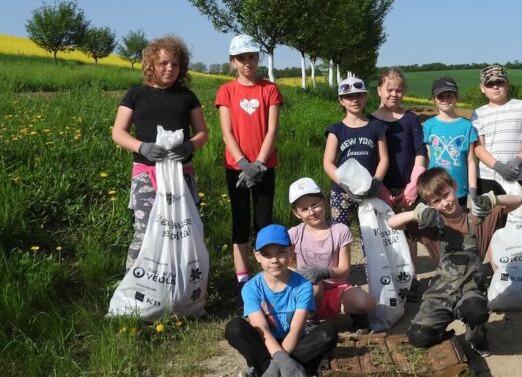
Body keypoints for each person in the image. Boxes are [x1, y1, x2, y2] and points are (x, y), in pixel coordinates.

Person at [387, 168, 522, 355]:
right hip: (441, 292)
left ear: (455, 186)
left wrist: (493, 199)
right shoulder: (430, 225)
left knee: (476, 311)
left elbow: (518, 201)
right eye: (436, 201)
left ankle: (478, 335)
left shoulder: (477, 218)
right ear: (429, 204)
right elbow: (392, 223)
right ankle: (442, 332)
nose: (444, 203)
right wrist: (416, 213)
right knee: (418, 337)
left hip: (470, 290)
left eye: (446, 195)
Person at [111, 35, 209, 270]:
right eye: (163, 63)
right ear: (151, 64)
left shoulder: (187, 96)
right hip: (147, 173)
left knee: (182, 228)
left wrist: (189, 145)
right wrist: (141, 147)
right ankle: (134, 287)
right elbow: (118, 132)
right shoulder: (135, 94)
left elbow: (203, 132)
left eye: (175, 64)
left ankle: (182, 286)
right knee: (144, 230)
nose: (169, 68)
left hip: (180, 173)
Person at [224, 224, 339, 377]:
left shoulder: (303, 285)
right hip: (265, 344)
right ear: (257, 256)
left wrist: (275, 367)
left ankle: (262, 373)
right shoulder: (250, 288)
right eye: (267, 254)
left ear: (291, 252)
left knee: (328, 331)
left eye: (280, 252)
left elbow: (295, 329)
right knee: (234, 327)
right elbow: (261, 328)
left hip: (296, 342)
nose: (274, 260)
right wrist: (280, 359)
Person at [215, 34, 282, 286]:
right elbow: (226, 132)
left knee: (263, 220)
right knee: (240, 220)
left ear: (258, 58)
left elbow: (272, 129)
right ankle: (243, 278)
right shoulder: (226, 91)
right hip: (236, 168)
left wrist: (259, 164)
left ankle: (269, 273)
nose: (247, 63)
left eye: (252, 57)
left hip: (265, 166)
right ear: (233, 61)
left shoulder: (270, 89)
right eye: (241, 58)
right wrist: (244, 163)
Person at [287, 177, 376, 329]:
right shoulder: (294, 234)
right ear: (297, 213)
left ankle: (344, 316)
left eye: (315, 204)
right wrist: (298, 274)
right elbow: (283, 264)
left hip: (336, 288)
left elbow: (344, 270)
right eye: (304, 209)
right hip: (308, 291)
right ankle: (312, 319)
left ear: (324, 201)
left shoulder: (340, 230)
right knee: (314, 287)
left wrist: (321, 272)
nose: (312, 212)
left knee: (367, 303)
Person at [371, 68, 428, 292]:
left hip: (407, 188)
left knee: (410, 233)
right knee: (384, 235)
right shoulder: (370, 121)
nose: (394, 94)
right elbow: (370, 158)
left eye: (399, 90)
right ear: (379, 91)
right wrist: (380, 189)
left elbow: (420, 150)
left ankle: (411, 277)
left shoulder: (411, 119)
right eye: (389, 89)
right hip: (381, 188)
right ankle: (390, 279)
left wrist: (414, 185)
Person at [322, 76, 390, 227]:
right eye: (348, 97)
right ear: (341, 101)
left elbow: (384, 158)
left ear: (365, 97)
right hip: (342, 192)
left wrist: (377, 181)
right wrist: (344, 184)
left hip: (370, 191)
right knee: (340, 234)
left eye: (359, 95)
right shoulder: (336, 130)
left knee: (373, 234)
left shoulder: (376, 127)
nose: (354, 100)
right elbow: (328, 162)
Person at [471, 64, 522, 195]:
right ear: (482, 88)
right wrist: (498, 167)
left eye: (499, 82)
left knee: (518, 215)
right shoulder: (477, 114)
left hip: (516, 175)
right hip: (487, 177)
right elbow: (478, 148)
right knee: (492, 216)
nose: (495, 86)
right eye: (489, 84)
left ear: (507, 84)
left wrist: (518, 161)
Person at [422, 76, 478, 208]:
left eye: (450, 95)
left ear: (456, 97)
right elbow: (428, 158)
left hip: (459, 190)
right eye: (441, 96)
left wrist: (473, 187)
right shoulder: (429, 125)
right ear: (434, 99)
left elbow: (470, 161)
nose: (445, 99)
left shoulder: (467, 126)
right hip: (434, 189)